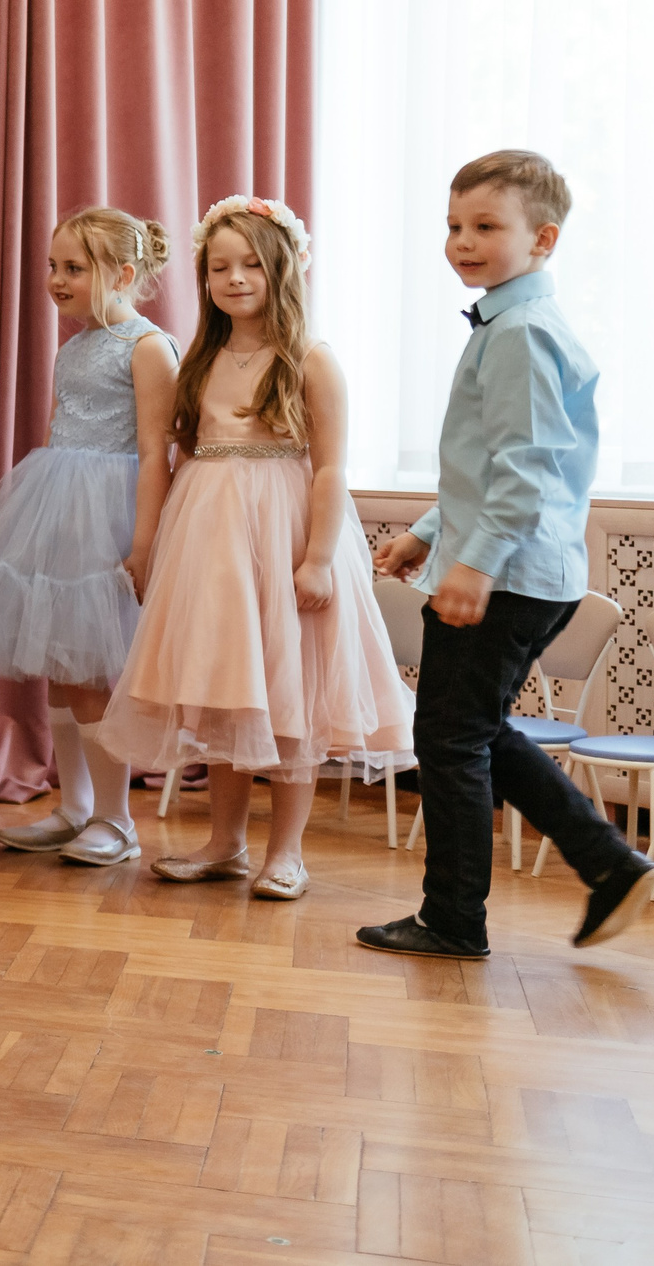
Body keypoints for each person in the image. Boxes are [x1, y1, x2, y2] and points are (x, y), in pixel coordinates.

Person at [365, 152, 654, 956]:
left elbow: (525, 469)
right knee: (475, 729)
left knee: (450, 739)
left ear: (543, 239)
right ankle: (611, 864)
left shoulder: (521, 334)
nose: (462, 241)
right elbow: (491, 462)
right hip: (529, 569)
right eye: (454, 225)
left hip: (509, 573)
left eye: (486, 225)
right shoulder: (513, 323)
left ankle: (454, 918)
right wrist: (431, 531)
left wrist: (476, 564)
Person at [98, 198, 412, 901]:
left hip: (286, 533)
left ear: (283, 270)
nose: (234, 278)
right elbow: (181, 453)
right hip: (211, 538)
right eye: (219, 267)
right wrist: (158, 544)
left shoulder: (311, 360)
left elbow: (329, 469)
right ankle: (225, 843)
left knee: (288, 691)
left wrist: (319, 559)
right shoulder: (200, 357)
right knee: (223, 690)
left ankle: (287, 852)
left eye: (250, 265)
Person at [0, 207, 178, 866]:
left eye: (75, 268)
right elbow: (57, 434)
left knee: (90, 672)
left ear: (123, 274)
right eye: (54, 266)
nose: (57, 279)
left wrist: (144, 543)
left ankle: (117, 819)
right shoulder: (74, 345)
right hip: (60, 511)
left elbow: (156, 452)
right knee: (60, 673)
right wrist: (40, 518)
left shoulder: (148, 347)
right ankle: (74, 807)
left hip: (113, 518)